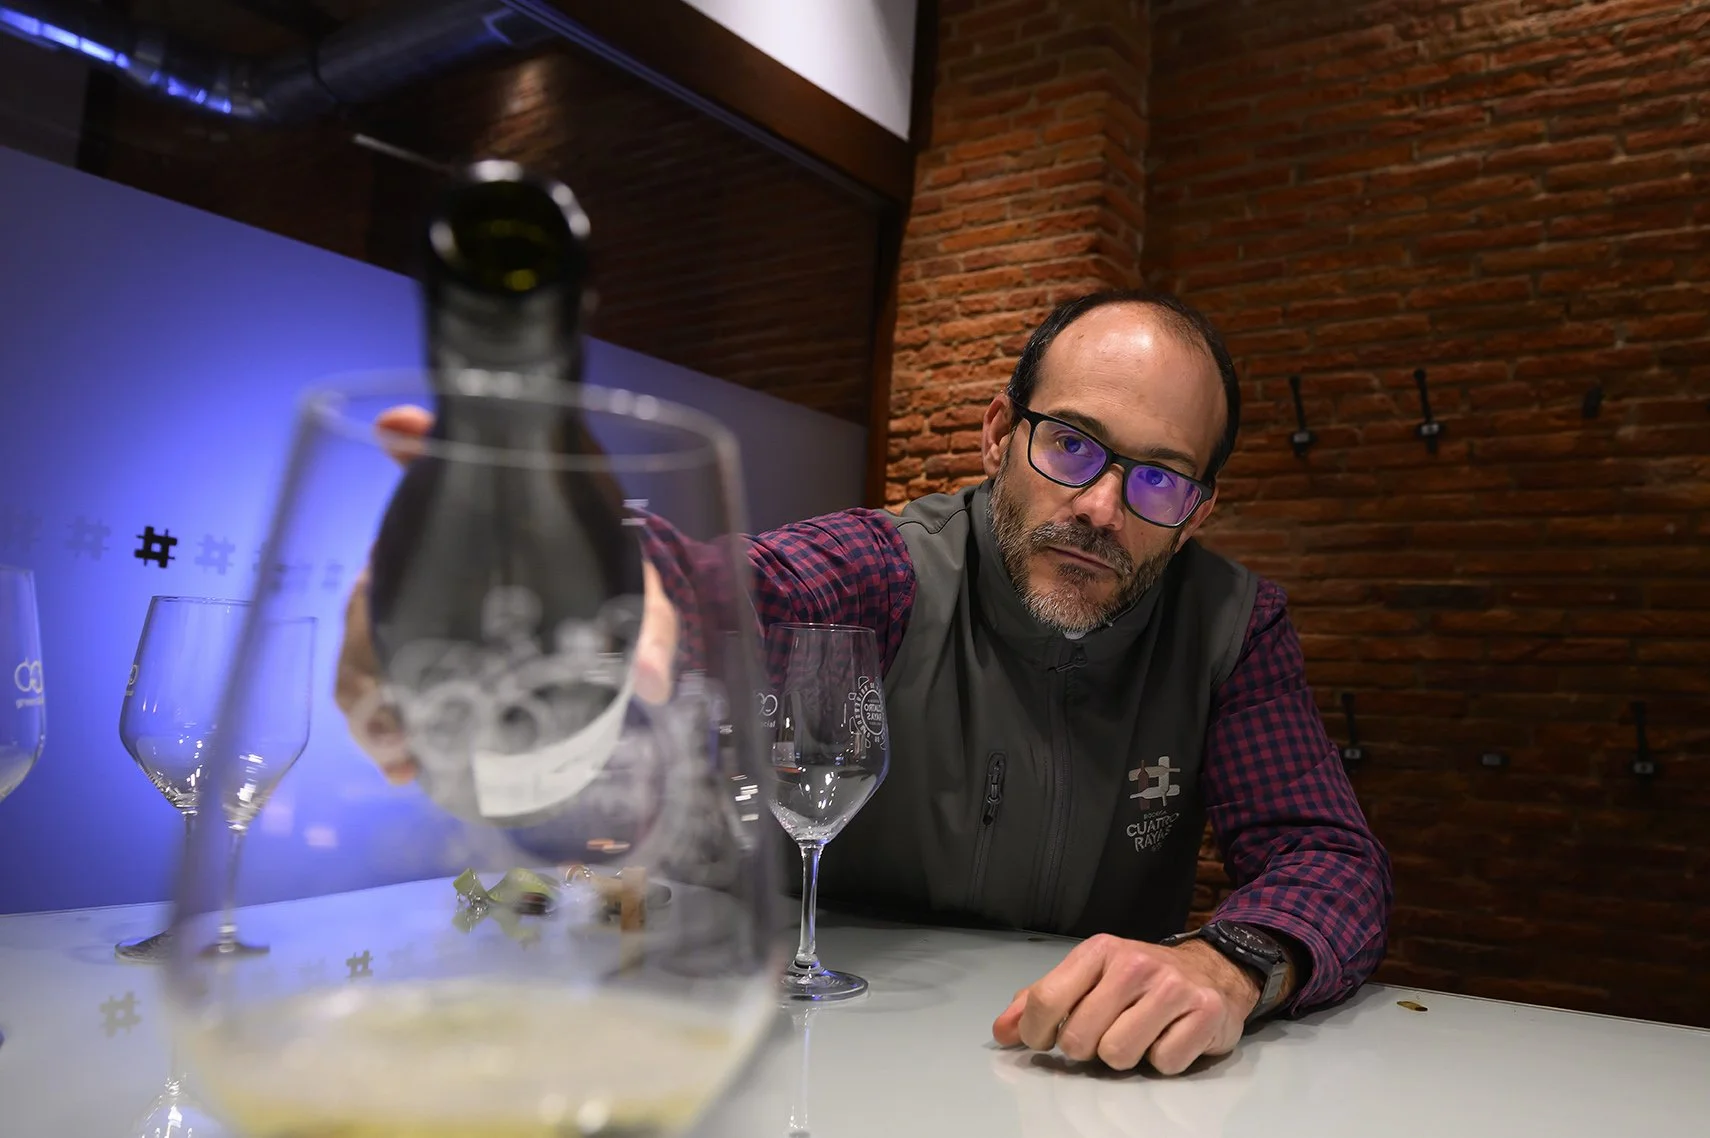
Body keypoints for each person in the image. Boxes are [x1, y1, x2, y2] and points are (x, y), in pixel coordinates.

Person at [336, 288, 1392, 1076]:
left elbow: (1330, 858)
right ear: (997, 435)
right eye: (1072, 444)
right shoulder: (890, 566)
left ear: (1200, 510)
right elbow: (739, 592)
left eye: (1160, 476)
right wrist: (595, 579)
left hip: (1074, 1083)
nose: (1105, 506)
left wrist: (1229, 965)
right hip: (813, 1063)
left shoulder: (1233, 626)